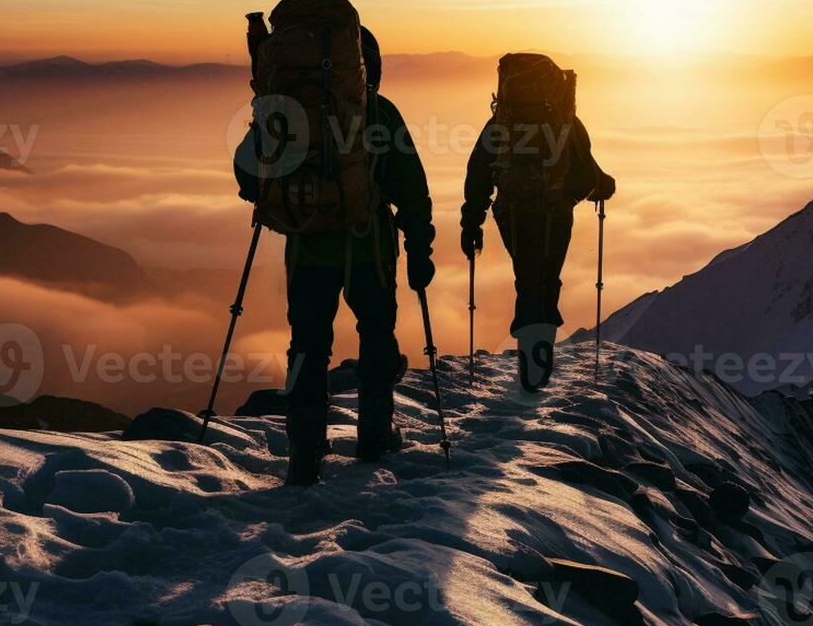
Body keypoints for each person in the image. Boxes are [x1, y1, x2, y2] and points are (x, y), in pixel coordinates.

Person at [237, 26, 434, 485]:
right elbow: (412, 188)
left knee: (307, 345)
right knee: (377, 336)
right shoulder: (381, 113)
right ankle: (374, 438)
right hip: (369, 248)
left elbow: (248, 177)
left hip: (307, 249)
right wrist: (419, 249)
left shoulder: (288, 115)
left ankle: (304, 454)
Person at [460, 54, 614, 391]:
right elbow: (586, 173)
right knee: (546, 279)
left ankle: (531, 360)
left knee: (527, 277)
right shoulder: (566, 122)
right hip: (554, 213)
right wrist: (587, 192)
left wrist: (471, 220)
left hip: (511, 212)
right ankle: (536, 363)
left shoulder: (501, 122)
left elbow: (479, 170)